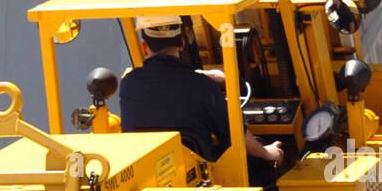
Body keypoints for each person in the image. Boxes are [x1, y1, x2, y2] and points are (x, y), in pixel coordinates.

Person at [118, 15, 284, 171]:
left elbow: (163, 88)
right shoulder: (202, 86)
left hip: (147, 170)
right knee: (258, 158)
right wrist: (267, 152)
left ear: (144, 48)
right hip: (198, 175)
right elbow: (234, 136)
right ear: (181, 44)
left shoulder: (128, 83)